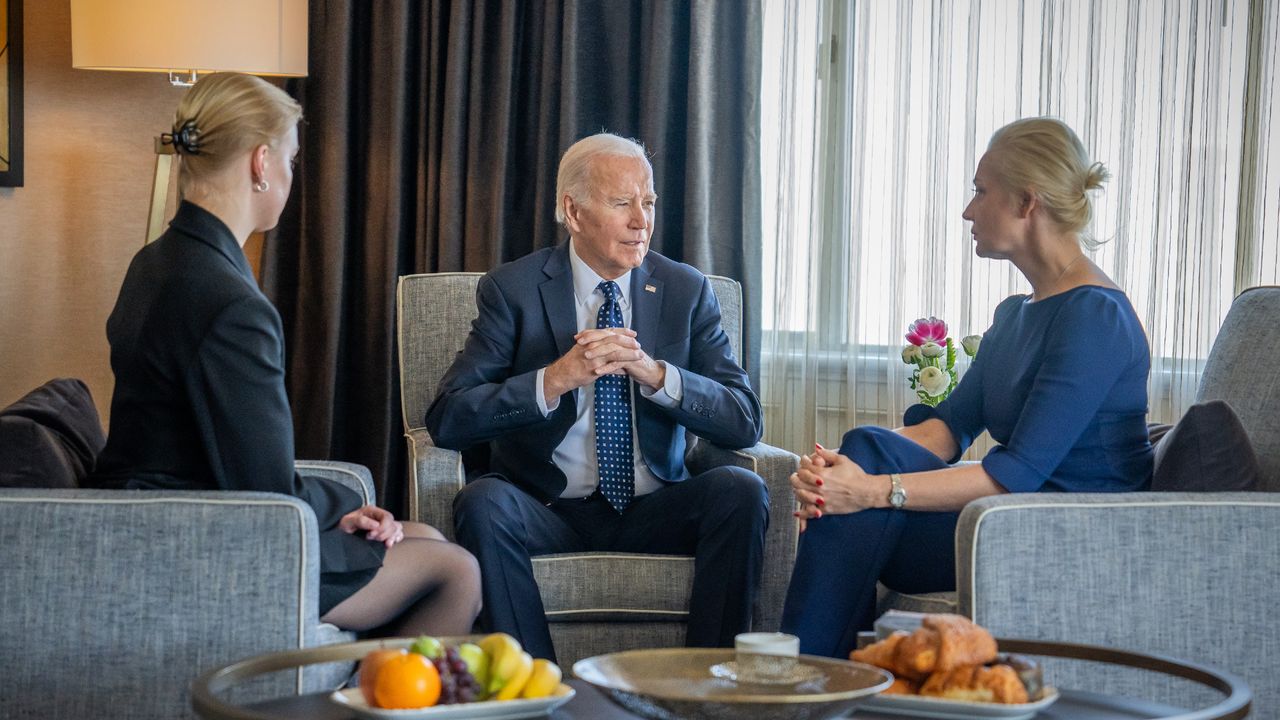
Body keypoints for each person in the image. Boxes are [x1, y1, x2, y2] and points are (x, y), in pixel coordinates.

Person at [92, 72, 480, 637]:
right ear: (260, 162)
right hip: (205, 544)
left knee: (426, 538)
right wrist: (346, 499)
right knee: (456, 570)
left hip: (166, 518)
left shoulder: (156, 261)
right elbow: (269, 494)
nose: (292, 176)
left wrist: (341, 505)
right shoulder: (230, 304)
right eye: (292, 161)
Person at [780, 117, 1153, 658]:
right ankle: (821, 682)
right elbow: (945, 430)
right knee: (863, 449)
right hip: (1008, 519)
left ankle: (805, 681)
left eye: (981, 192)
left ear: (1027, 203)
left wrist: (871, 488)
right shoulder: (1017, 315)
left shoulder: (1096, 318)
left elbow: (1016, 475)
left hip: (1072, 533)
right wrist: (845, 468)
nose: (967, 210)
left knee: (862, 497)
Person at [424, 133, 769, 663]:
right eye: (621, 202)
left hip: (657, 504)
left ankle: (706, 683)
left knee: (741, 490)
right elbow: (449, 417)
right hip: (548, 505)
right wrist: (556, 378)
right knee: (483, 502)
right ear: (573, 211)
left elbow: (744, 419)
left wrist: (657, 375)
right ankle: (536, 686)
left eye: (648, 202)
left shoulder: (685, 289)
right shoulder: (513, 290)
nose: (641, 221)